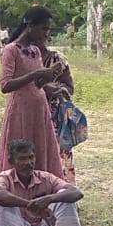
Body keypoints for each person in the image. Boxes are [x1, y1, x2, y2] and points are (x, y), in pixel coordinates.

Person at [0, 138, 84, 226]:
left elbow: (77, 193)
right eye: (22, 159)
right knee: (5, 206)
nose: (28, 163)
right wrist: (30, 205)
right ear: (11, 161)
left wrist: (48, 199)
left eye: (31, 157)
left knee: (65, 197)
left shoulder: (45, 177)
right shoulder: (5, 177)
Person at [0, 5, 65, 178]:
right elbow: (6, 85)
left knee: (40, 155)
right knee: (22, 156)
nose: (46, 34)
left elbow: (36, 84)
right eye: (43, 29)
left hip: (39, 113)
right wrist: (36, 74)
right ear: (30, 26)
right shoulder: (11, 50)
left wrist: (51, 84)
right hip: (21, 114)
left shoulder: (35, 51)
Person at [40, 40, 86, 182]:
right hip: (30, 115)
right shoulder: (22, 58)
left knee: (59, 156)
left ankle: (64, 197)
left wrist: (57, 90)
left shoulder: (56, 59)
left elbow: (69, 87)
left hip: (55, 118)